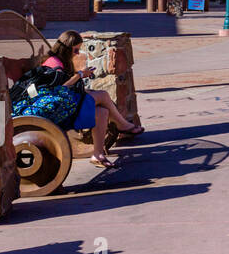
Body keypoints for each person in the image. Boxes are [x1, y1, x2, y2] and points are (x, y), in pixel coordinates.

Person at [11, 30, 144, 169]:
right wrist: (80, 74)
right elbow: (60, 88)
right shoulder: (53, 62)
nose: (77, 54)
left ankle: (97, 155)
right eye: (75, 50)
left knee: (102, 112)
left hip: (63, 105)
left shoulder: (59, 61)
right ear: (66, 48)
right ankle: (122, 125)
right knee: (103, 95)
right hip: (57, 110)